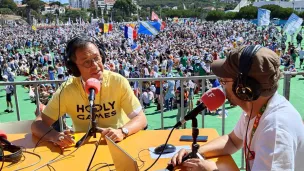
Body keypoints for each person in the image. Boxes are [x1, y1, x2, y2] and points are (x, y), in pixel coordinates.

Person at [170, 46, 304, 171]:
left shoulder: (275, 129)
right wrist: (196, 152)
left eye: (224, 81)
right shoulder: (255, 108)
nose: (221, 87)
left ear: (243, 88)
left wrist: (213, 170)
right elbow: (233, 141)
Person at [31, 36, 147, 148]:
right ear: (74, 68)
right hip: (83, 146)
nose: (95, 65)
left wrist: (123, 131)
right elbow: (37, 124)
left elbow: (141, 118)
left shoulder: (118, 82)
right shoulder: (67, 90)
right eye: (87, 62)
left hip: (118, 143)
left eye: (96, 58)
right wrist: (55, 136)